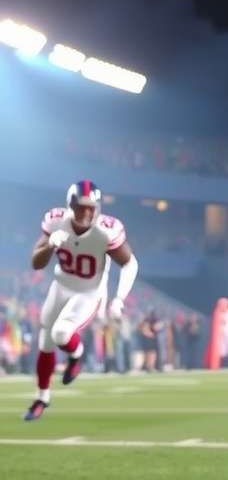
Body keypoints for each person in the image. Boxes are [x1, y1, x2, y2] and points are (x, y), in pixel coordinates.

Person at [24, 180, 139, 421]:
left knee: (61, 334)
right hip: (62, 284)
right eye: (81, 207)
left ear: (98, 207)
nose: (86, 212)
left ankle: (77, 354)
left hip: (89, 291)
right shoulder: (56, 221)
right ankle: (41, 397)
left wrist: (119, 299)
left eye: (91, 207)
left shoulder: (106, 230)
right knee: (45, 339)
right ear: (70, 205)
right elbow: (36, 263)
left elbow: (130, 263)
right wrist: (50, 246)